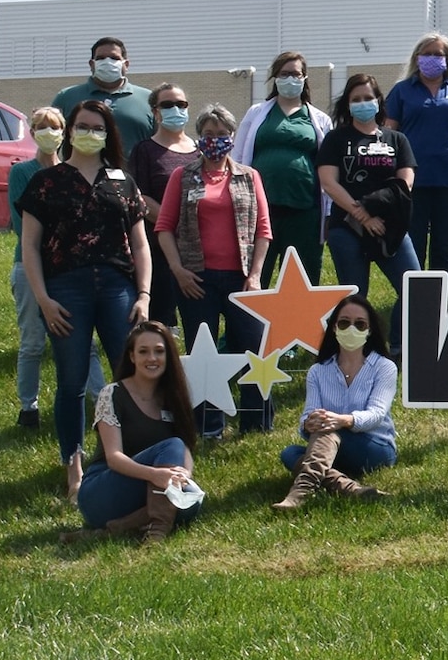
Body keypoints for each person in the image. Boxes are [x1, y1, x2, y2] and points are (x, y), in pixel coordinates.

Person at [17, 99, 153, 499]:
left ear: (108, 134)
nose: (90, 133)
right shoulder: (45, 182)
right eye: (82, 126)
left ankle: (130, 456)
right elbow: (30, 247)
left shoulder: (122, 181)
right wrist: (42, 298)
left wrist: (143, 295)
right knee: (72, 381)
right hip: (66, 289)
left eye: (98, 128)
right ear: (69, 130)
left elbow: (141, 246)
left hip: (117, 287)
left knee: (129, 378)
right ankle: (74, 466)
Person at [155, 104, 274, 438]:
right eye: (208, 134)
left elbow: (263, 229)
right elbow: (164, 227)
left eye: (222, 135)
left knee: (254, 349)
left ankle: (256, 422)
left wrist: (255, 275)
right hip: (196, 280)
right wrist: (177, 269)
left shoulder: (250, 177)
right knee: (202, 355)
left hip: (241, 280)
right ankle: (208, 424)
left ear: (233, 138)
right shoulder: (183, 176)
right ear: (199, 137)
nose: (215, 141)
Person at [59, 322, 201, 545]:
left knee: (193, 502)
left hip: (147, 490)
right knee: (171, 445)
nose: (152, 358)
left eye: (159, 351)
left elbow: (185, 450)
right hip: (103, 491)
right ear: (132, 357)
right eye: (143, 352)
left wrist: (182, 478)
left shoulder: (174, 397)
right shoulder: (112, 394)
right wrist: (156, 475)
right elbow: (114, 458)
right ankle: (158, 531)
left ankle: (113, 530)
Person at [7, 108, 104, 432]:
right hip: (30, 267)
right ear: (32, 132)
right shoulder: (23, 173)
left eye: (54, 127)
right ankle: (28, 407)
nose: (48, 132)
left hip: (68, 270)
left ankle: (100, 401)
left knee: (85, 342)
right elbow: (24, 227)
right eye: (41, 127)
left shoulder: (71, 172)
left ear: (65, 132)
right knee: (33, 342)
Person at [318, 74, 419, 347]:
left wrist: (377, 212)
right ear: (347, 105)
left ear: (378, 101)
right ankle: (351, 350)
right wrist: (362, 215)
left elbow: (406, 182)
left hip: (390, 229)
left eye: (367, 98)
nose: (362, 103)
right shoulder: (336, 139)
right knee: (355, 297)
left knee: (415, 288)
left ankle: (397, 346)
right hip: (347, 228)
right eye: (356, 99)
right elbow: (328, 182)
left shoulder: (397, 139)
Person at [273, 295, 397, 508]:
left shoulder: (384, 367)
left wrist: (342, 420)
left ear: (370, 330)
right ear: (334, 328)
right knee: (290, 453)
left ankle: (301, 490)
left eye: (360, 324)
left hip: (374, 447)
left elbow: (376, 414)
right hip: (330, 447)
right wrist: (309, 423)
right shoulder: (318, 371)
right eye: (344, 322)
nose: (351, 329)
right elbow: (308, 414)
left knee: (325, 431)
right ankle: (351, 489)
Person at [235, 52, 333, 285]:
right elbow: (238, 155)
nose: (291, 79)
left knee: (303, 278)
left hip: (305, 210)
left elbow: (328, 167)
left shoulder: (320, 119)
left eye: (296, 74)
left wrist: (329, 213)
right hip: (262, 210)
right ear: (275, 78)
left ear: (304, 78)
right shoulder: (257, 113)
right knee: (257, 276)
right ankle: (251, 323)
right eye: (284, 74)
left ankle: (303, 322)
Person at [385, 33, 448, 272]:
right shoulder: (401, 91)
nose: (433, 59)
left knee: (445, 248)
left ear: (447, 59)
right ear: (417, 58)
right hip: (412, 182)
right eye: (427, 54)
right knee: (413, 246)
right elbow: (388, 135)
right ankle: (415, 302)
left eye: (438, 54)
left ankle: (442, 305)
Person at [129, 82, 199, 328]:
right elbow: (140, 197)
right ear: (155, 112)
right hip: (158, 246)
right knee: (162, 315)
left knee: (197, 316)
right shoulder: (145, 150)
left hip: (198, 248)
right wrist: (175, 224)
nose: (175, 109)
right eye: (168, 105)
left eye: (181, 104)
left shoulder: (200, 150)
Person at [52, 36, 154, 149]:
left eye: (114, 58)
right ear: (92, 64)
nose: (107, 62)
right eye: (101, 58)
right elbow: (51, 144)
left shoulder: (148, 99)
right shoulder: (66, 97)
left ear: (126, 64)